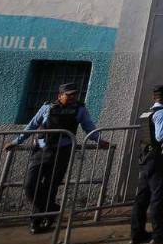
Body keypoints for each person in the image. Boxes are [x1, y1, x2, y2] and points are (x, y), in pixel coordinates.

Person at [8, 82, 102, 234]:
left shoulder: (80, 109)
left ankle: (37, 220)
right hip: (41, 150)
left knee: (50, 187)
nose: (72, 97)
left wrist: (99, 140)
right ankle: (51, 209)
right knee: (30, 185)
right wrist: (16, 141)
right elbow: (32, 125)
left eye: (74, 95)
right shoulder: (47, 108)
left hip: (62, 151)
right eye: (68, 95)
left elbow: (89, 126)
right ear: (60, 95)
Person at [131, 84, 163, 244]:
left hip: (145, 158)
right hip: (156, 158)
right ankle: (160, 233)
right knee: (158, 197)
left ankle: (137, 233)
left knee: (142, 198)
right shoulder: (162, 114)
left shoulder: (148, 113)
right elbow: (161, 136)